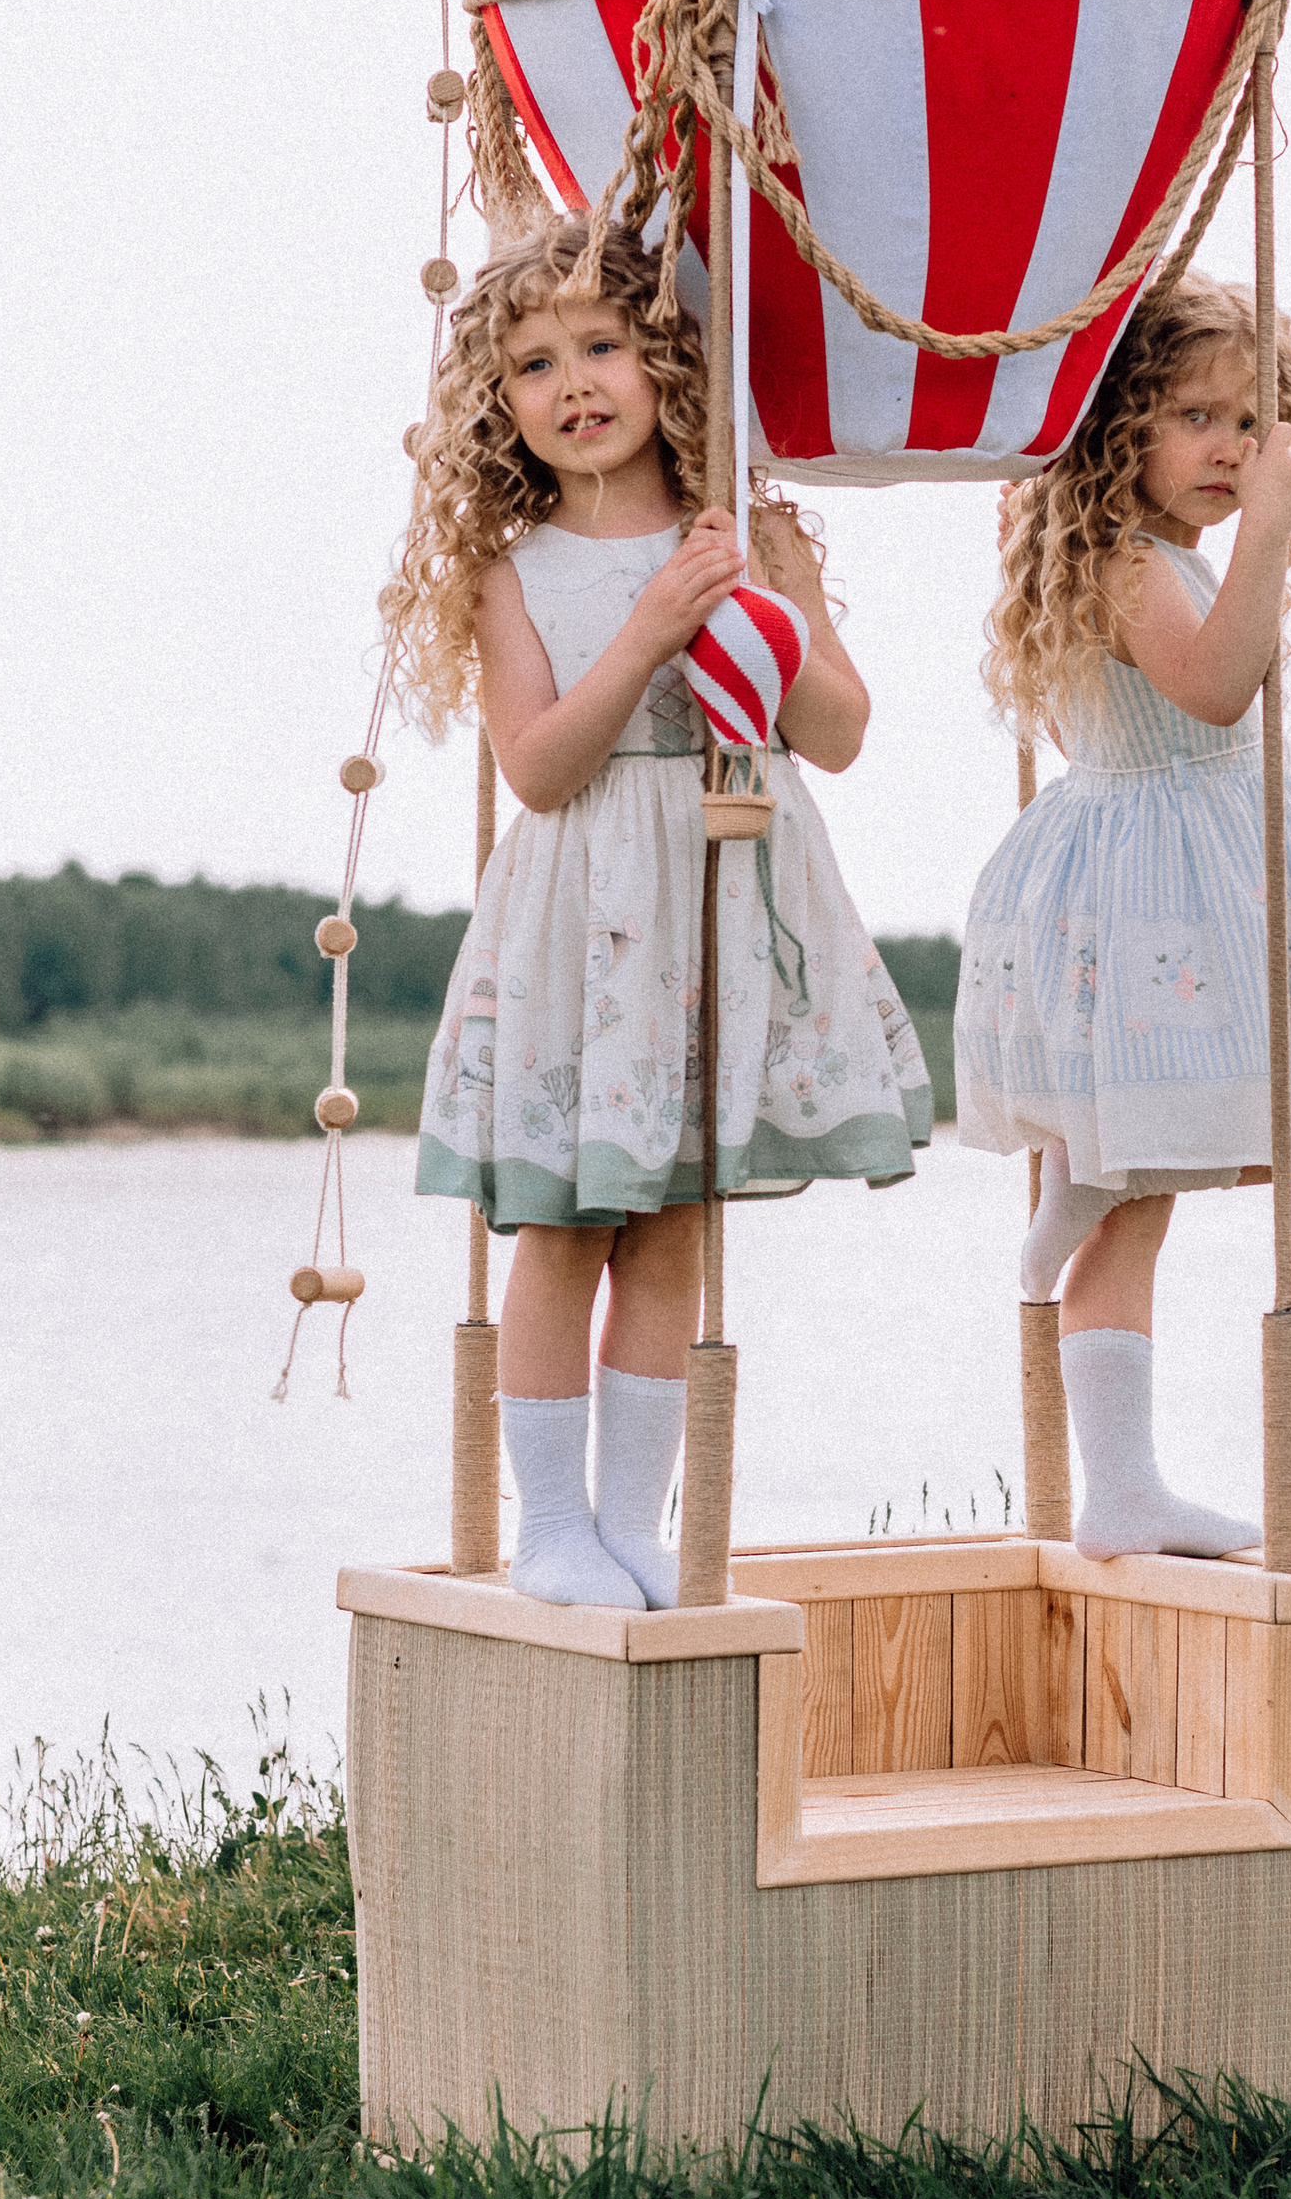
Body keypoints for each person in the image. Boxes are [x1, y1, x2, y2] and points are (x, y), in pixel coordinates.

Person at [383, 214, 932, 1610]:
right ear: (498, 403)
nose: (575, 383)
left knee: (679, 1221)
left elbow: (844, 729)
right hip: (586, 909)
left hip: (715, 886)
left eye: (604, 346)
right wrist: (648, 629)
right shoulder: (511, 568)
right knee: (569, 1219)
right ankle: (552, 1525)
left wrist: (746, 606)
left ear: (661, 356)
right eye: (534, 364)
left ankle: (637, 1523)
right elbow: (538, 765)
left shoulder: (742, 527)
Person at [956, 270, 1291, 1558]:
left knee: (1147, 1182)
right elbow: (1216, 686)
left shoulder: (1136, 550)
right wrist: (1272, 526)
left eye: (1253, 419)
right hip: (1151, 881)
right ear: (1125, 431)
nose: (1230, 445)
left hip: (1169, 864)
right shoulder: (1119, 559)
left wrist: (1248, 532)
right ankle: (1120, 1480)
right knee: (1137, 1182)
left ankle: (1123, 1474)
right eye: (1196, 416)